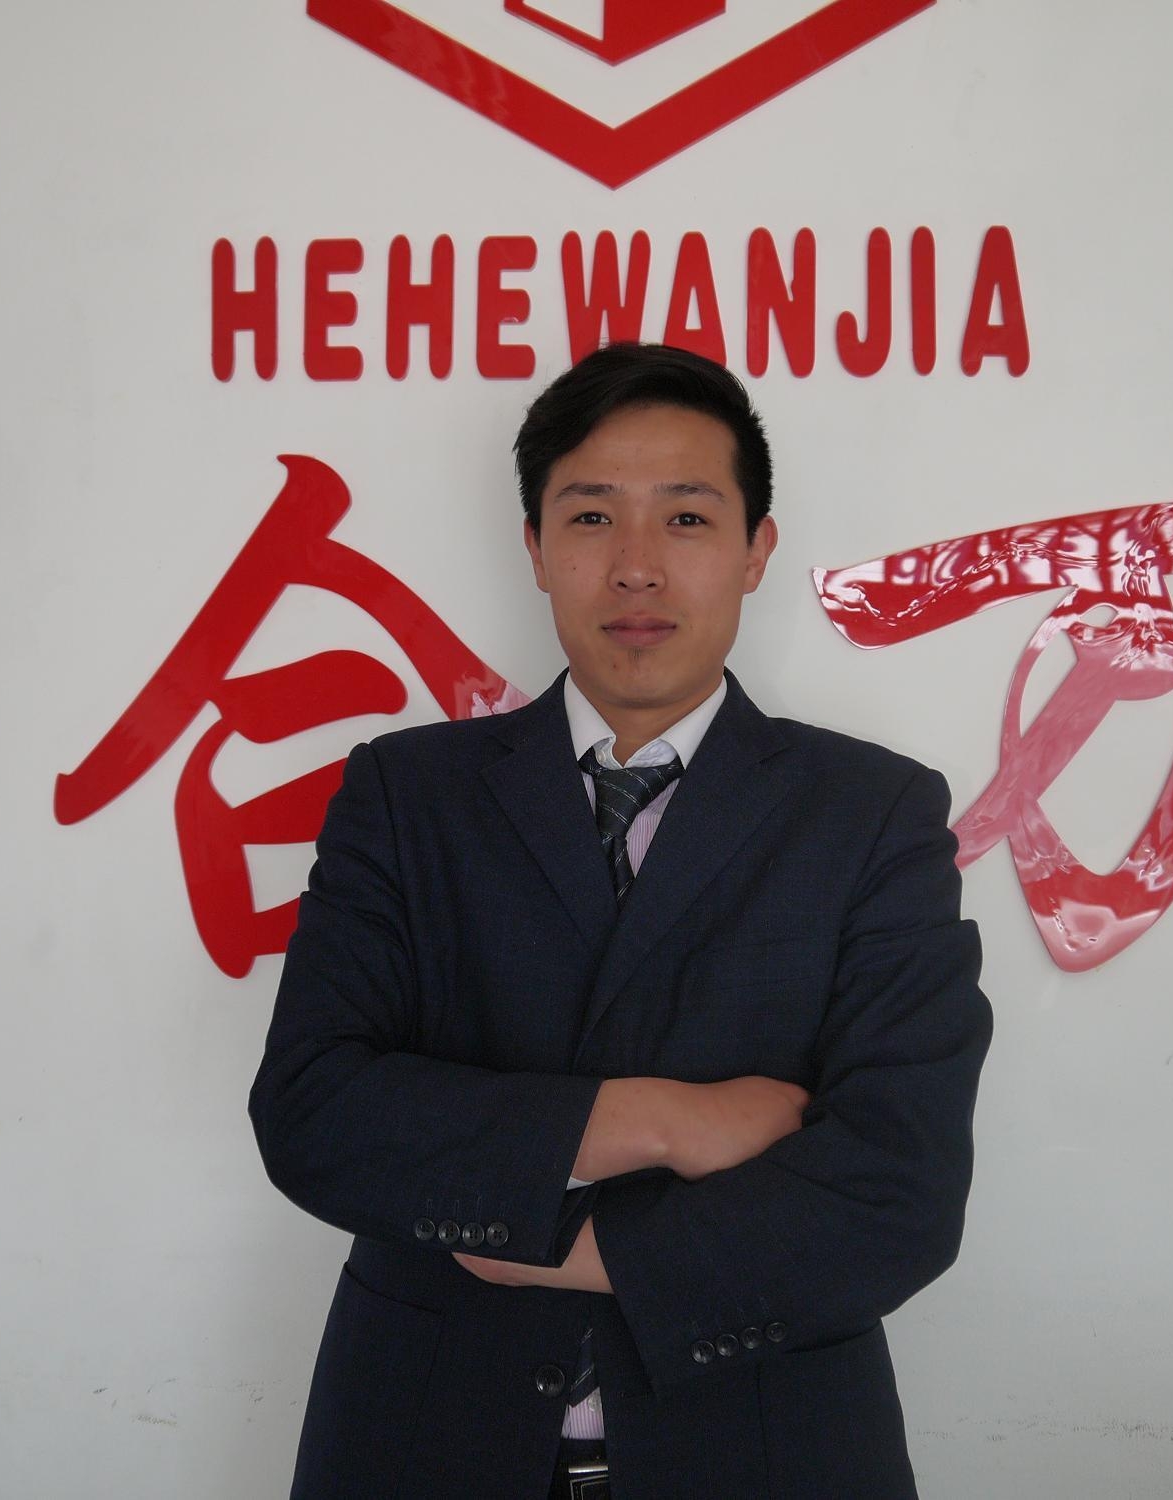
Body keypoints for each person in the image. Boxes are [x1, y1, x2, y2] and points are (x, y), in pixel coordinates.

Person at [250, 342, 991, 1500]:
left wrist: (554, 1251)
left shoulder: (869, 814)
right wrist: (662, 1121)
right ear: (535, 547)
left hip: (760, 1451)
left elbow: (897, 1193)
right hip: (423, 1440)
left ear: (755, 550)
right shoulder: (406, 795)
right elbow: (315, 1113)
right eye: (591, 517)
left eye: (686, 519)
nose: (636, 567)